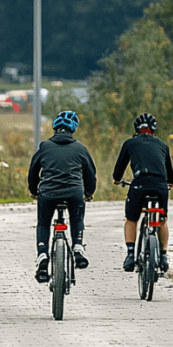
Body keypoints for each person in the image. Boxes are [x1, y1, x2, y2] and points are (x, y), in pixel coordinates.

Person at [28, 110, 97, 283]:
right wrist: (88, 193)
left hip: (48, 193)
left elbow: (33, 171)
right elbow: (90, 174)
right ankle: (78, 247)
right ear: (73, 129)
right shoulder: (81, 148)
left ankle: (43, 255)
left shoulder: (45, 146)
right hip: (74, 193)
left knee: (44, 223)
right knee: (76, 217)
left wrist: (34, 190)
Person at [112, 113, 173, 273]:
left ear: (136, 129)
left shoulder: (130, 143)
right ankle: (163, 255)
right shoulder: (163, 145)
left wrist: (117, 180)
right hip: (160, 186)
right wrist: (169, 183)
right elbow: (170, 174)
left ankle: (131, 255)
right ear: (153, 130)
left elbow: (119, 169)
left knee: (131, 219)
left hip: (139, 185)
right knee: (161, 220)